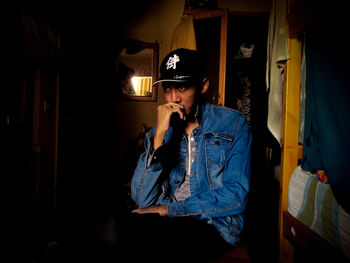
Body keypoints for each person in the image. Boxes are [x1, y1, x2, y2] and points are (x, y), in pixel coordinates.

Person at [90, 48, 251, 263]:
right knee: (110, 228)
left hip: (213, 224)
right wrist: (158, 139)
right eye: (168, 88)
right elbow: (142, 199)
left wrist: (170, 209)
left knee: (121, 236)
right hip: (168, 220)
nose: (173, 97)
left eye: (182, 87)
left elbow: (236, 196)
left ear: (203, 86)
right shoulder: (161, 131)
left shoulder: (234, 124)